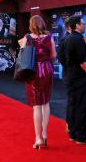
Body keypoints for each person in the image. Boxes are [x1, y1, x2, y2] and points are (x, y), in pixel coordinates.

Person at [22, 15, 56, 149]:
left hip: (33, 71)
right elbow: (53, 55)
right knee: (46, 102)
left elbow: (23, 56)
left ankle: (38, 138)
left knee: (37, 105)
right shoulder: (49, 37)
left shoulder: (27, 38)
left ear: (31, 25)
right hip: (47, 69)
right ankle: (45, 134)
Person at [64, 15, 86, 144]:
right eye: (83, 23)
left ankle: (73, 133)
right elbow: (83, 63)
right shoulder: (77, 39)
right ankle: (81, 136)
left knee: (74, 106)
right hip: (80, 79)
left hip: (71, 77)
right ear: (77, 25)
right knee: (82, 107)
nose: (85, 25)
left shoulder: (68, 38)